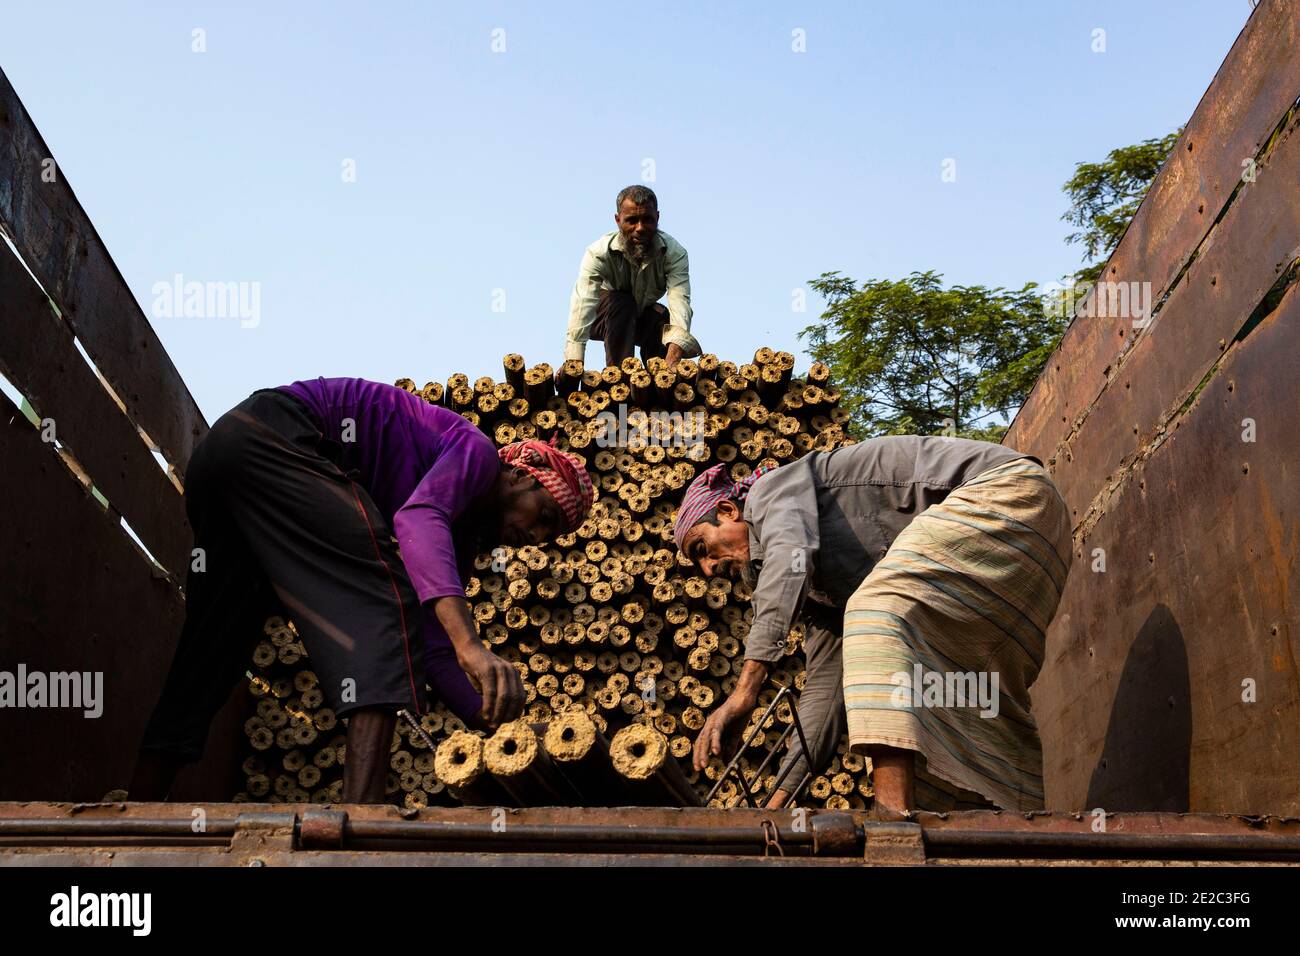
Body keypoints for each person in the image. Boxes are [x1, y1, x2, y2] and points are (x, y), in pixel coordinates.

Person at [129, 377, 594, 803]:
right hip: (276, 437)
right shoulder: (475, 454)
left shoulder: (459, 536)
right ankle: (361, 812)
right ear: (522, 473)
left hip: (224, 455)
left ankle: (140, 805)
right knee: (386, 598)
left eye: (547, 539)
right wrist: (470, 644)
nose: (535, 539)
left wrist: (499, 721)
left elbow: (431, 648)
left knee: (214, 650)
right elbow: (416, 521)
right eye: (545, 517)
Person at [674, 436, 1071, 815]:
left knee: (875, 610)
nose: (708, 569)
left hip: (1009, 493)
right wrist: (776, 805)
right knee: (950, 696)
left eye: (701, 548)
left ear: (727, 511)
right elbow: (825, 697)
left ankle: (891, 817)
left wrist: (744, 694)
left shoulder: (771, 491)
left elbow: (788, 557)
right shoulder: (823, 590)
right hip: (1044, 545)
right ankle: (1006, 826)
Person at [562, 184, 700, 372]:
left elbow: (680, 303)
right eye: (632, 221)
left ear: (657, 218)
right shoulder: (598, 253)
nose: (640, 228)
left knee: (662, 319)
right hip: (602, 315)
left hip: (638, 314)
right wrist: (573, 365)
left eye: (647, 220)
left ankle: (659, 382)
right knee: (623, 303)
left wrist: (675, 354)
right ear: (618, 220)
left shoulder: (674, 254)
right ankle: (621, 379)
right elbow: (582, 308)